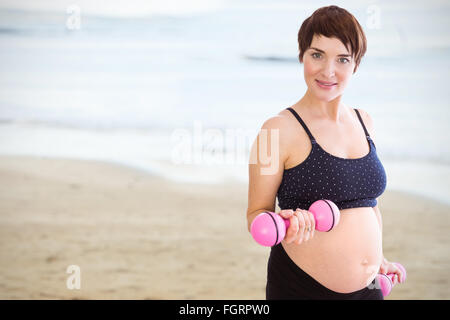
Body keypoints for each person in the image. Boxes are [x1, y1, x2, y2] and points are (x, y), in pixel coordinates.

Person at [246, 5, 405, 300]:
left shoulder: (363, 120)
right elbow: (257, 215)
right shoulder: (274, 130)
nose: (328, 71)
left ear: (356, 64)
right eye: (317, 55)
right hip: (302, 288)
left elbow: (368, 202)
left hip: (370, 290)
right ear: (302, 56)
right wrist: (286, 222)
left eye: (342, 59)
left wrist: (378, 258)